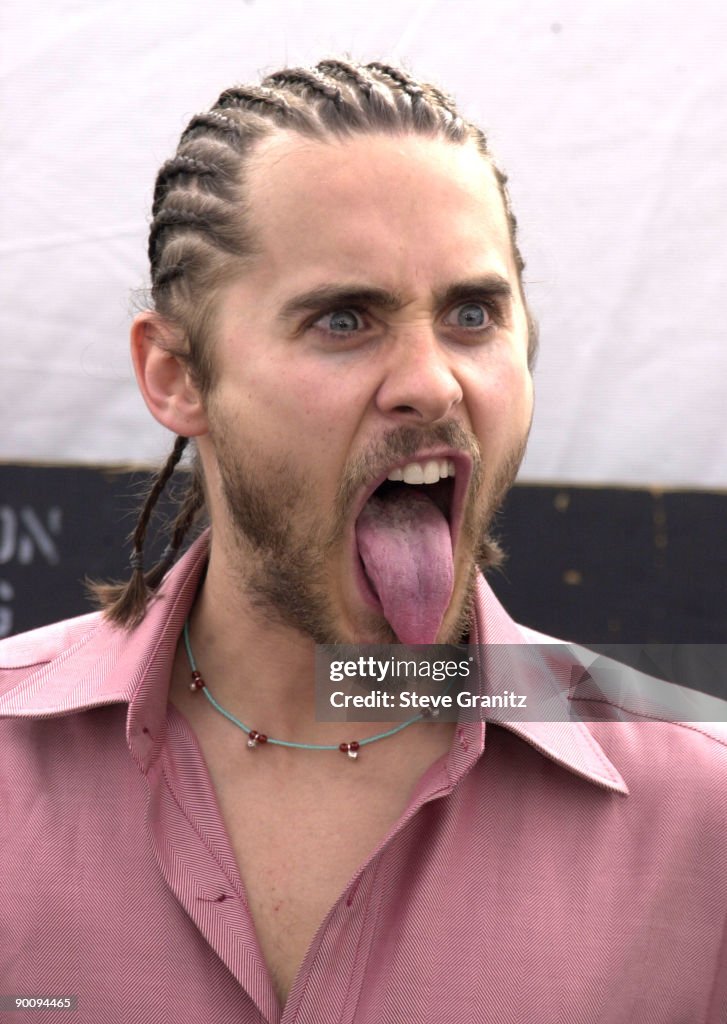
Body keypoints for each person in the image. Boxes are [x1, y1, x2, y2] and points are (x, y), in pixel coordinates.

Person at [1, 58, 725, 1024]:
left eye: (472, 314)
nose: (430, 382)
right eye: (344, 320)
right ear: (177, 374)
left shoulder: (699, 815)